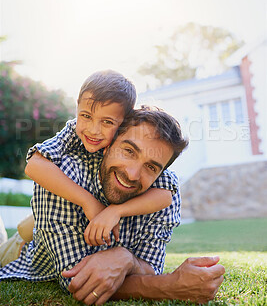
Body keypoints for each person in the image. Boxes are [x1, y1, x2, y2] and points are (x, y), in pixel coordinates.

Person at [0, 107, 225, 305]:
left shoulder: (164, 193)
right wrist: (169, 286)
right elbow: (75, 281)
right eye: (129, 151)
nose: (132, 174)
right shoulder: (64, 173)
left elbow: (150, 267)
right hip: (21, 251)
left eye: (151, 167)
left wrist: (124, 258)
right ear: (107, 145)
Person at [22, 70, 179, 247]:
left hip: (93, 202)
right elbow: (34, 165)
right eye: (86, 116)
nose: (93, 130)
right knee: (23, 233)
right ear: (77, 108)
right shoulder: (74, 132)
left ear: (124, 122)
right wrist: (88, 203)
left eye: (107, 122)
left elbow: (166, 196)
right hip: (59, 206)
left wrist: (116, 211)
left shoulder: (130, 141)